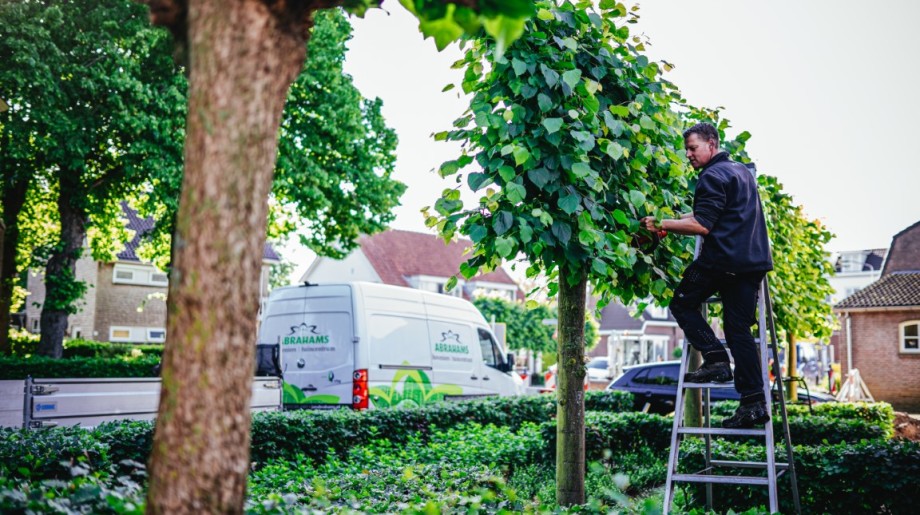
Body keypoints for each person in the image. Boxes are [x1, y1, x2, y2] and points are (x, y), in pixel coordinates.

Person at [641, 122, 773, 429]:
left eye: (693, 148)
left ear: (711, 144)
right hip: (751, 263)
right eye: (686, 149)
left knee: (683, 302)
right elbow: (710, 214)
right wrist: (668, 221)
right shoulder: (740, 171)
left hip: (722, 260)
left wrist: (661, 225)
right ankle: (753, 403)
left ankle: (715, 360)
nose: (688, 154)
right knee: (738, 329)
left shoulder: (711, 176)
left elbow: (702, 224)